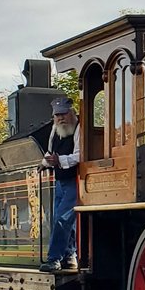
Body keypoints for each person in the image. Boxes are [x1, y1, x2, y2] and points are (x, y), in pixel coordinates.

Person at [40, 95, 81, 272]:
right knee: (64, 221)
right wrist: (43, 164)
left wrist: (59, 160)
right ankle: (70, 256)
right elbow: (50, 151)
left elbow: (80, 156)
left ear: (71, 113)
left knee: (62, 220)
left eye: (63, 114)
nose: (60, 118)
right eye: (57, 115)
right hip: (60, 181)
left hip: (75, 181)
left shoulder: (80, 128)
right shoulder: (54, 130)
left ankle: (54, 259)